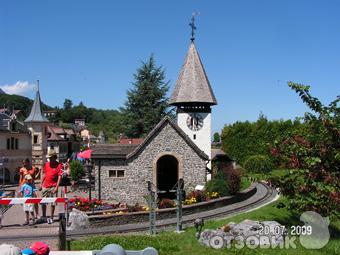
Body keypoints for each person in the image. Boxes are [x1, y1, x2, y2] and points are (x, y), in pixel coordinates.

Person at [40, 150, 62, 224]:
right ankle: (44, 216)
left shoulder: (59, 165)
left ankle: (52, 217)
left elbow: (59, 177)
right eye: (49, 158)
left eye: (50, 158)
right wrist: (41, 184)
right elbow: (44, 174)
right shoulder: (46, 164)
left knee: (53, 203)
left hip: (53, 186)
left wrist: (56, 187)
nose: (49, 159)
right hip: (45, 186)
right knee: (43, 202)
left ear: (54, 157)